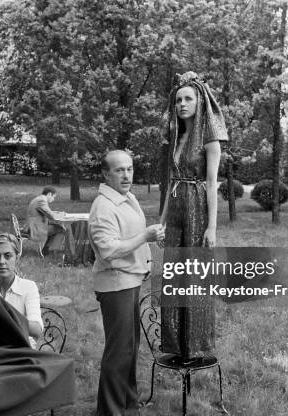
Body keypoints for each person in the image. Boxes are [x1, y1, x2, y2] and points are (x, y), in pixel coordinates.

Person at [88, 150, 166, 416]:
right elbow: (109, 250)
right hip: (115, 284)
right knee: (118, 352)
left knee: (130, 348)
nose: (126, 175)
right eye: (119, 170)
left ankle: (128, 403)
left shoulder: (126, 197)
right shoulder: (104, 207)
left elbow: (131, 235)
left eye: (130, 169)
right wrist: (145, 236)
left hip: (130, 280)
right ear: (106, 174)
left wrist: (149, 238)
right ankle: (110, 410)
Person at [159, 71, 228, 358]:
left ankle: (196, 345)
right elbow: (170, 182)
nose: (182, 104)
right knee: (173, 275)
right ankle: (176, 345)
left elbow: (212, 183)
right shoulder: (177, 136)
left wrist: (212, 227)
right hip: (175, 207)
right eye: (178, 100)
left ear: (200, 102)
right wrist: (161, 221)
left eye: (188, 99)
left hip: (197, 208)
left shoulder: (209, 139)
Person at [24, 186, 66, 255]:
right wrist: (62, 215)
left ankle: (47, 250)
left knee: (58, 227)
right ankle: (51, 250)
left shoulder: (38, 199)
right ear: (49, 194)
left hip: (34, 226)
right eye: (53, 197)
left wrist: (57, 213)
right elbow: (51, 215)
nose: (53, 199)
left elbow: (47, 212)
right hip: (36, 228)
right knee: (61, 229)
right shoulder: (41, 201)